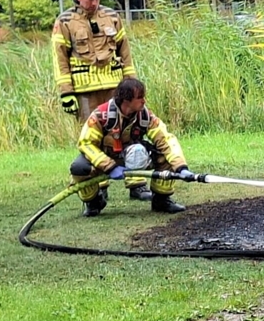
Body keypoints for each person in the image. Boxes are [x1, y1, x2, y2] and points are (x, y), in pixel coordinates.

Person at [52, 0, 150, 201]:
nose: (95, 2)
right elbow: (59, 59)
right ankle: (100, 187)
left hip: (116, 88)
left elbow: (125, 52)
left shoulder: (112, 16)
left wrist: (132, 83)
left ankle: (136, 183)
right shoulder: (65, 20)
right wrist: (66, 92)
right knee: (93, 139)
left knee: (130, 133)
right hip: (85, 91)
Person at [70, 78, 196, 217]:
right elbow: (86, 143)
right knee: (79, 168)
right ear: (126, 100)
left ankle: (161, 200)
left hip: (133, 157)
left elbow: (165, 139)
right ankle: (94, 203)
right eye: (140, 98)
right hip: (104, 160)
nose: (144, 101)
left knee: (166, 156)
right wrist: (109, 166)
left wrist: (181, 168)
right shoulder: (101, 116)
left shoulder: (145, 115)